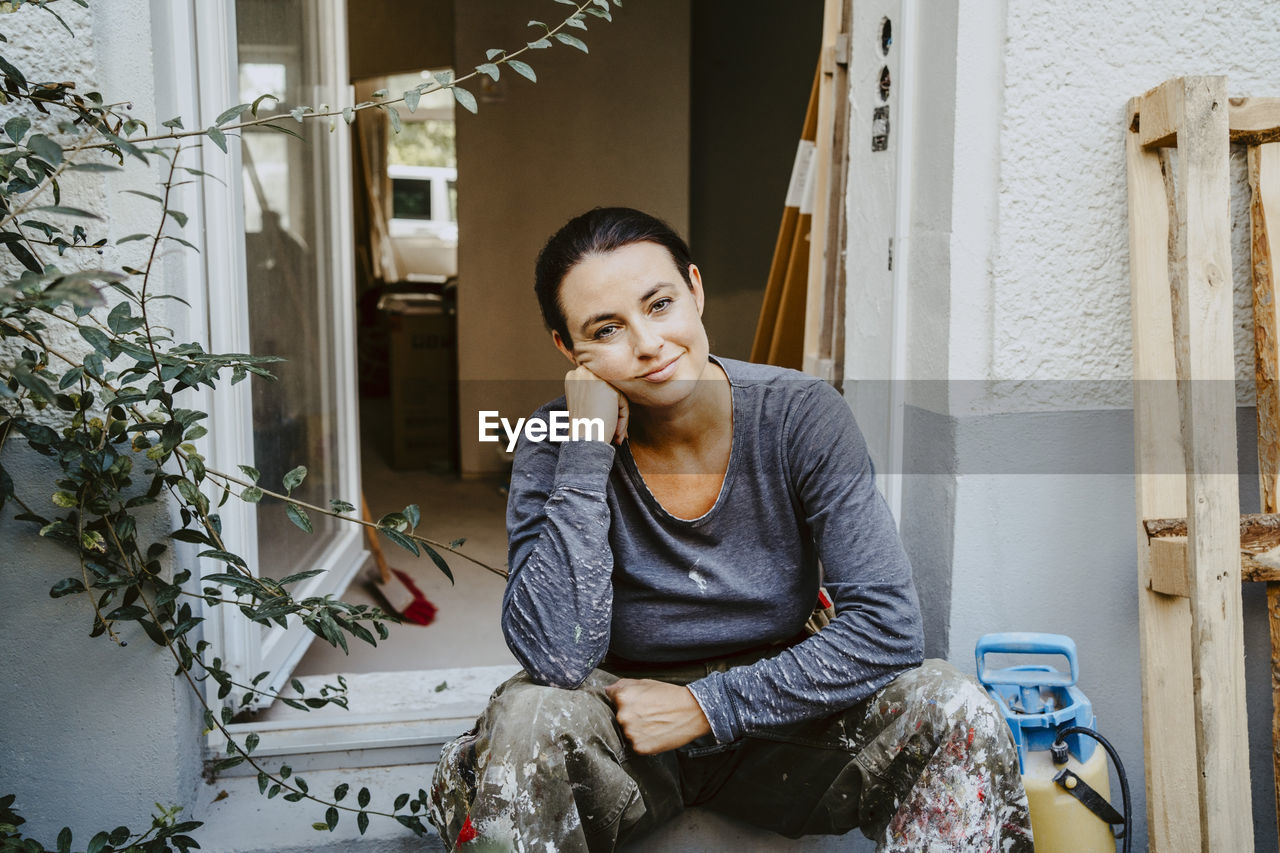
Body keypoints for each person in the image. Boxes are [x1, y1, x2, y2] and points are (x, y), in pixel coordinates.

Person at [428, 208, 1032, 852]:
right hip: (624, 730)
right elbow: (555, 657)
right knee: (527, 716)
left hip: (784, 727)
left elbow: (888, 627)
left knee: (951, 705)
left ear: (695, 288)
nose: (647, 344)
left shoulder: (799, 415)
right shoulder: (553, 443)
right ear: (567, 350)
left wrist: (707, 706)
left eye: (659, 304)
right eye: (606, 329)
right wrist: (585, 447)